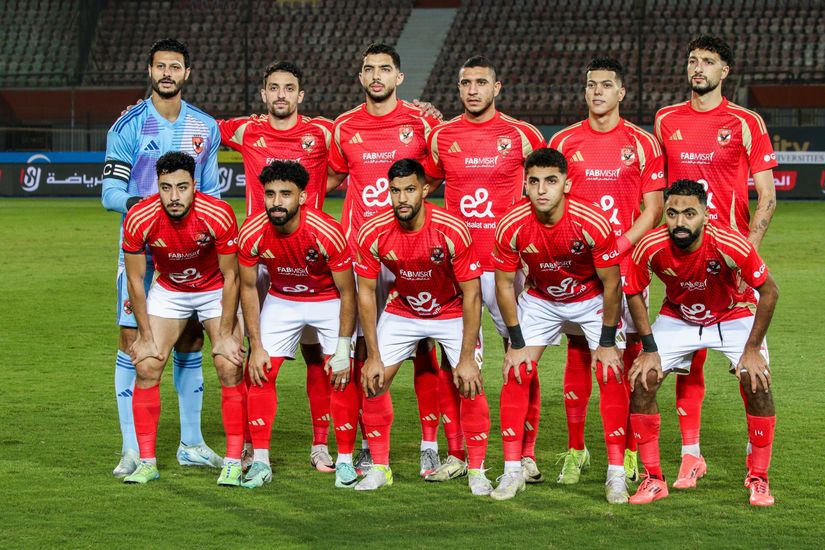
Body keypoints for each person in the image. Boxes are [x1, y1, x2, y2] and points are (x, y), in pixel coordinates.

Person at [653, 35, 777, 489]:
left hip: (729, 260)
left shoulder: (745, 121)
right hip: (684, 255)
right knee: (688, 359)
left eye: (708, 61)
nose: (698, 67)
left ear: (724, 71)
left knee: (752, 371)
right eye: (692, 60)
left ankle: (755, 464)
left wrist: (746, 253)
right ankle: (691, 457)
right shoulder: (666, 119)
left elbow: (767, 196)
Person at [101, 38, 223, 478]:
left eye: (175, 66)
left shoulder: (205, 127)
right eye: (160, 66)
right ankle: (132, 449)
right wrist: (147, 208)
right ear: (149, 71)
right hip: (141, 250)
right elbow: (110, 193)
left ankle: (191, 443)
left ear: (187, 73)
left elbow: (212, 192)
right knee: (133, 342)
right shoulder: (127, 126)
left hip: (189, 251)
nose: (167, 73)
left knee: (191, 340)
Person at [423, 56, 546, 483]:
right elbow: (423, 185)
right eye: (465, 83)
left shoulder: (522, 135)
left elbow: (544, 191)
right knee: (453, 360)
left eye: (481, 82)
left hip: (507, 267)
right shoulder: (442, 136)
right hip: (457, 267)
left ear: (497, 88)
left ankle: (525, 454)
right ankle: (458, 454)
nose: (472, 90)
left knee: (521, 359)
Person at [326, 43, 444, 476]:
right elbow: (331, 176)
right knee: (364, 349)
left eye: (385, 69)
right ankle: (366, 441)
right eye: (369, 69)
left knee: (425, 346)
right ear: (361, 77)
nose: (376, 76)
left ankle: (429, 444)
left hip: (411, 251)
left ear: (399, 77)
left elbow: (438, 172)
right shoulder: (344, 126)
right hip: (363, 253)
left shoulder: (422, 122)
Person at [624, 179, 778, 506]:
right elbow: (633, 291)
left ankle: (759, 478)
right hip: (680, 316)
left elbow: (769, 291)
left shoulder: (729, 243)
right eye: (672, 213)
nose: (680, 222)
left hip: (731, 313)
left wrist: (752, 349)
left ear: (706, 215)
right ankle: (654, 479)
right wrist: (649, 349)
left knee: (757, 382)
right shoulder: (650, 245)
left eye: (689, 214)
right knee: (642, 380)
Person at [548, 56, 665, 486]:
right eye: (590, 85)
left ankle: (629, 452)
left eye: (605, 85)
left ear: (621, 92)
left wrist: (618, 246)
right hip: (579, 269)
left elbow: (653, 210)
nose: (597, 92)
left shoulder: (643, 142)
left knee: (628, 357)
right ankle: (576, 450)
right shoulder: (564, 141)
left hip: (627, 264)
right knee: (579, 351)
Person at [218, 61, 337, 473]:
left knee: (319, 357)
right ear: (264, 94)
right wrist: (147, 106)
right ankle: (252, 446)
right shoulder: (246, 131)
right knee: (257, 353)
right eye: (274, 88)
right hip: (260, 256)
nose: (281, 94)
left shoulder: (323, 132)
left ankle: (320, 445)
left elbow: (354, 158)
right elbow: (199, 127)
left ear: (300, 95)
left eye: (289, 88)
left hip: (310, 254)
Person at [491, 148, 625, 503]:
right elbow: (504, 285)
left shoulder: (591, 221)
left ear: (566, 184)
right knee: (516, 369)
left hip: (592, 297)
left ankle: (616, 474)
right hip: (542, 299)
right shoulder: (511, 224)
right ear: (524, 184)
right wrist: (516, 342)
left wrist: (607, 343)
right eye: (533, 181)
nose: (541, 189)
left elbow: (612, 283)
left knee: (611, 371)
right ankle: (512, 471)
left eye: (551, 181)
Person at [353, 158, 491, 495]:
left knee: (469, 383)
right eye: (395, 190)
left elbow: (472, 294)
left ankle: (476, 470)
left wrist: (467, 358)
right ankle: (380, 469)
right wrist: (372, 355)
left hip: (451, 310)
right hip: (404, 309)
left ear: (425, 190)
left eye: (410, 189)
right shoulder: (373, 231)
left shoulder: (451, 229)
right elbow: (366, 293)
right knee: (373, 381)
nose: (402, 198)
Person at [119, 152, 246, 486]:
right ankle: (147, 463)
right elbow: (135, 280)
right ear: (157, 187)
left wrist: (228, 333)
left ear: (194, 185)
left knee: (228, 363)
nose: (174, 196)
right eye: (166, 188)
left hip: (214, 287)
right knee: (147, 364)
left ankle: (234, 461)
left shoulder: (217, 213)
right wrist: (145, 335)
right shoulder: (140, 217)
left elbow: (231, 276)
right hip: (171, 287)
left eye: (182, 187)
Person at [237, 160, 357, 489]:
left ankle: (341, 458)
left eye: (285, 194)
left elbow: (348, 292)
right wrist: (256, 345)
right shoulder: (251, 231)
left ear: (302, 197)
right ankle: (260, 461)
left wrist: (343, 348)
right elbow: (248, 288)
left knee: (340, 374)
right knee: (260, 371)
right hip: (283, 298)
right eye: (270, 194)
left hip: (327, 299)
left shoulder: (326, 232)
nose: (276, 202)